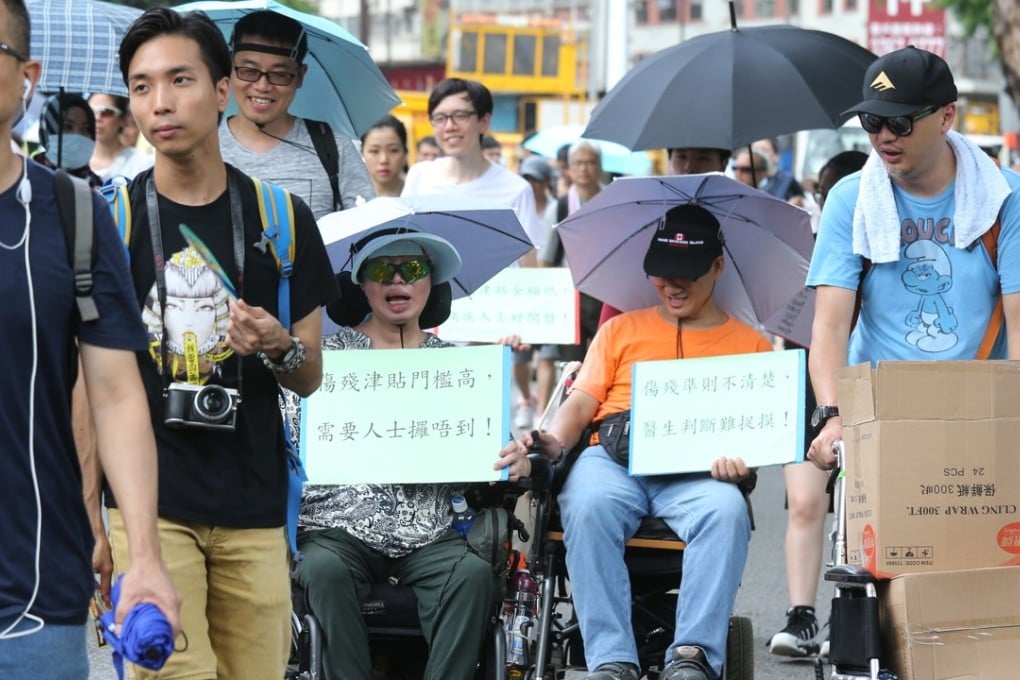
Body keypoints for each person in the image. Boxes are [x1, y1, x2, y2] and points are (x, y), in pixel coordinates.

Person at [107, 8, 337, 678]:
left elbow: (310, 373)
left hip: (254, 512)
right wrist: (92, 522)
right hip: (147, 513)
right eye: (143, 86)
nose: (161, 102)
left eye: (180, 79)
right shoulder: (110, 222)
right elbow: (89, 386)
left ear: (222, 90)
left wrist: (276, 345)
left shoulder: (282, 221)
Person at [508, 204, 771, 680]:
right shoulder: (620, 329)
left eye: (687, 274)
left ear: (717, 266)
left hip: (698, 469)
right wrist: (553, 442)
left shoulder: (751, 345)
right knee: (586, 504)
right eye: (662, 274)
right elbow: (582, 401)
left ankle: (692, 655)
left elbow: (755, 436)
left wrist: (743, 465)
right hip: (612, 456)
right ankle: (612, 659)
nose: (672, 286)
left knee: (726, 510)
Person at [0, 0, 180, 675]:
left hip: (36, 596)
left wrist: (147, 556)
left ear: (27, 76)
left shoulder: (73, 213)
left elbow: (115, 394)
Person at [289, 228, 530, 680]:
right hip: (336, 528)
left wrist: (516, 459)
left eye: (412, 269)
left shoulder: (457, 367)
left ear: (430, 283)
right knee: (321, 570)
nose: (397, 280)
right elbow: (291, 441)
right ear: (362, 284)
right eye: (383, 270)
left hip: (429, 532)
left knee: (472, 576)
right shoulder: (326, 359)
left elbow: (494, 451)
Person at [806, 46, 1020, 462]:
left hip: (980, 415)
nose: (884, 136)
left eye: (900, 122)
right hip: (879, 417)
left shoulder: (1005, 197)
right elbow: (829, 327)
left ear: (945, 116)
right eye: (872, 121)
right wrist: (833, 416)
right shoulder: (849, 200)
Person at [768, 148, 867, 659]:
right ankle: (801, 615)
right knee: (808, 503)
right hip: (810, 383)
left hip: (872, 380)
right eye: (830, 197)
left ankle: (847, 615)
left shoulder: (891, 242)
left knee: (859, 509)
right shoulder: (797, 250)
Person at [218, 9, 374, 218]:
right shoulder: (201, 147)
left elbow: (368, 233)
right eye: (249, 71)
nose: (262, 86)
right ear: (230, 67)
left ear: (300, 76)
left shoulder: (333, 148)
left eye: (280, 74)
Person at [402, 78, 542, 265]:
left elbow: (529, 266)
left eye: (460, 116)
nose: (449, 127)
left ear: (484, 121)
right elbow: (403, 243)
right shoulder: (419, 176)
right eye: (440, 118)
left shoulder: (516, 190)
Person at [597, 146, 732, 328]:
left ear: (723, 163)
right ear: (670, 159)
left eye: (703, 158)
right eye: (681, 156)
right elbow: (621, 289)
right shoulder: (643, 215)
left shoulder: (735, 219)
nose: (689, 167)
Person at [512, 154, 558, 429]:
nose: (530, 185)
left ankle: (542, 409)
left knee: (548, 354)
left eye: (534, 179)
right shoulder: (516, 209)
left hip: (551, 292)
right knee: (520, 354)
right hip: (521, 292)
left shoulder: (556, 208)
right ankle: (526, 399)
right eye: (525, 178)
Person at [34, 92, 103, 187]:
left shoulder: (98, 188)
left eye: (85, 129)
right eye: (68, 126)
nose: (77, 135)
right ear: (48, 129)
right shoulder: (28, 178)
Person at [87, 93, 153, 183]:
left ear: (123, 119)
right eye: (91, 111)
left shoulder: (143, 165)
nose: (97, 118)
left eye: (107, 112)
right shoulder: (73, 160)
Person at [360, 114, 408, 197]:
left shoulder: (419, 192)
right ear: (362, 153)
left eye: (393, 150)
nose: (384, 160)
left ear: (405, 152)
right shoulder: (350, 199)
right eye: (374, 151)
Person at [751, 138, 805, 206]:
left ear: (776, 155)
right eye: (755, 151)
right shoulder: (746, 180)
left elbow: (802, 201)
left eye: (764, 150)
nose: (759, 155)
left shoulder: (787, 180)